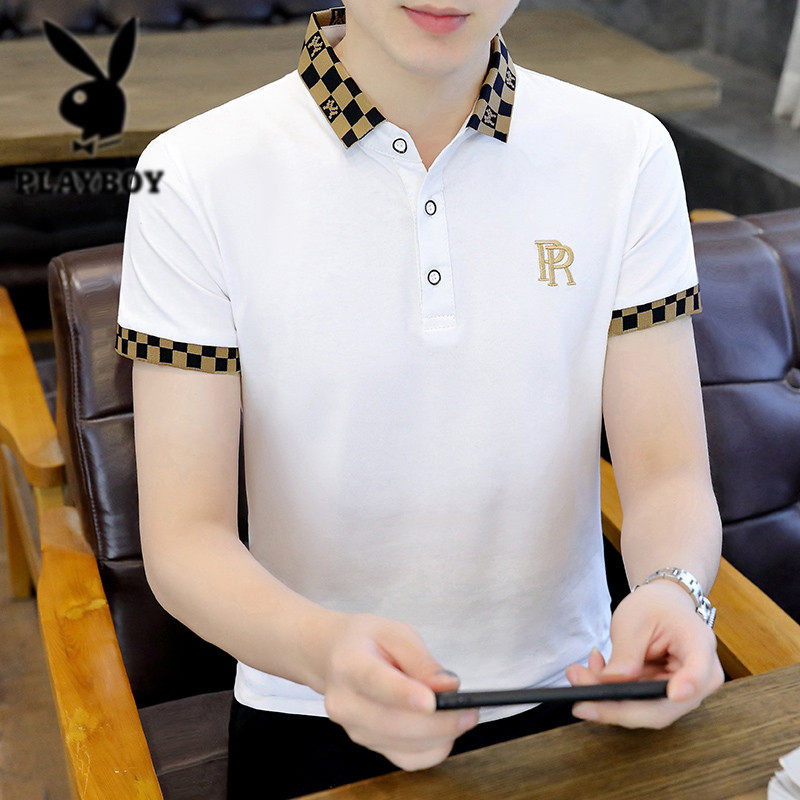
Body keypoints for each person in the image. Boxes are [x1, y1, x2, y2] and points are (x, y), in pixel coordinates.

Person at [114, 2, 725, 797]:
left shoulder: (627, 153)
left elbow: (669, 475)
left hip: (584, 694)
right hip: (311, 706)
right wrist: (323, 651)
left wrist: (675, 590)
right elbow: (184, 540)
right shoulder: (190, 175)